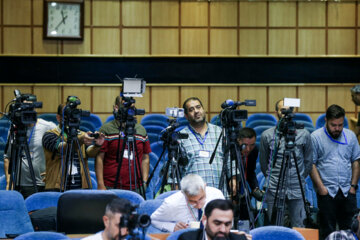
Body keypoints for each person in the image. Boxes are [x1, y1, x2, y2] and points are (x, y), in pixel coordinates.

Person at [259, 99, 313, 227]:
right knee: (276, 226)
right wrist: (272, 177)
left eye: (289, 110)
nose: (286, 113)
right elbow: (263, 163)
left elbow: (308, 161)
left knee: (299, 225)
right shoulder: (267, 135)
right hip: (274, 187)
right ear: (276, 112)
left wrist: (299, 176)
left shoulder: (304, 134)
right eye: (283, 110)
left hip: (297, 187)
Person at [311, 104, 360, 239]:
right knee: (327, 232)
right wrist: (321, 189)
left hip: (347, 191)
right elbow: (311, 164)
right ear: (326, 120)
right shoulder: (315, 137)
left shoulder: (350, 136)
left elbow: (356, 161)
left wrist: (353, 187)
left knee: (351, 231)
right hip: (327, 192)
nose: (337, 128)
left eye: (340, 125)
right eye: (334, 125)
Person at [178, 97, 236, 194]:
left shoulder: (220, 132)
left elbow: (229, 159)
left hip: (219, 192)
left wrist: (233, 180)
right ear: (186, 115)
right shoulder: (181, 137)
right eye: (191, 110)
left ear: (203, 110)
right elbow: (175, 173)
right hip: (193, 196)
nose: (196, 111)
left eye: (198, 107)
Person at [42, 103, 104, 191]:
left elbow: (89, 152)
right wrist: (81, 139)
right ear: (58, 118)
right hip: (57, 187)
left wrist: (97, 145)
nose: (72, 118)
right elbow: (63, 148)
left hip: (81, 186)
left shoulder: (81, 134)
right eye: (67, 115)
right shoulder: (49, 135)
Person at [96, 96, 150, 191]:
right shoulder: (106, 129)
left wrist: (145, 181)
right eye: (126, 107)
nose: (129, 111)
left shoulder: (141, 130)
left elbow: (145, 158)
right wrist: (100, 184)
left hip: (136, 186)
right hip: (110, 186)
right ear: (116, 108)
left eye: (132, 108)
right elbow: (99, 158)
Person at [4, 116, 56, 199]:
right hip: (19, 185)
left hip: (41, 184)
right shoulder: (15, 128)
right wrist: (8, 182)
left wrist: (53, 173)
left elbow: (61, 150)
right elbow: (7, 157)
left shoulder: (47, 126)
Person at [151, 174, 225, 232]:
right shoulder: (172, 204)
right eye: (192, 201)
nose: (199, 206)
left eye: (201, 198)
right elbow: (152, 220)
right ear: (183, 193)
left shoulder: (216, 195)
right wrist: (173, 227)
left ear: (205, 187)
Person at [178, 199, 251, 240]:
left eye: (227, 224)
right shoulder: (187, 239)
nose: (223, 229)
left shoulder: (239, 239)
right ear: (204, 220)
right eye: (217, 223)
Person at [236, 127, 264, 220]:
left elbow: (250, 171)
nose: (248, 149)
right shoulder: (231, 150)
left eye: (251, 145)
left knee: (248, 215)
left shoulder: (254, 150)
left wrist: (255, 188)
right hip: (230, 188)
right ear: (238, 141)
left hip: (243, 188)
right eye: (244, 145)